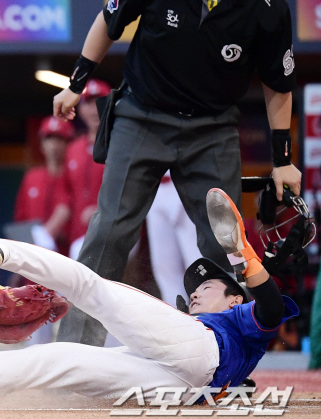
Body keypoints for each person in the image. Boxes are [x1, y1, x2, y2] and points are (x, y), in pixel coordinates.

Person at [0, 189, 298, 399]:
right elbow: (245, 385)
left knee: (86, 284)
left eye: (207, 287)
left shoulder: (241, 321)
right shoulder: (213, 332)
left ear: (235, 300)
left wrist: (245, 259)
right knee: (55, 360)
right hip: (184, 388)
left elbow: (273, 308)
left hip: (200, 356)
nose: (197, 292)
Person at [52, 0, 302, 346]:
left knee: (225, 242)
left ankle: (225, 352)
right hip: (142, 117)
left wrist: (282, 160)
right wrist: (75, 84)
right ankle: (75, 350)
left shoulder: (267, 7)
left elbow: (278, 82)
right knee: (109, 231)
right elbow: (108, 21)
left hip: (213, 128)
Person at [52, 80, 110, 260]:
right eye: (89, 103)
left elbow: (133, 188)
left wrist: (103, 209)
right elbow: (64, 197)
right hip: (79, 234)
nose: (94, 109)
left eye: (100, 101)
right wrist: (47, 232)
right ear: (81, 109)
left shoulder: (122, 144)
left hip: (113, 231)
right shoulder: (73, 149)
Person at [14, 116, 74, 254]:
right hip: (33, 255)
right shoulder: (31, 177)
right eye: (49, 138)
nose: (53, 145)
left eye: (59, 139)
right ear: (41, 144)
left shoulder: (73, 176)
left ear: (69, 143)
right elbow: (20, 218)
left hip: (66, 256)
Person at [145, 171, 201, 307]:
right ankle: (175, 314)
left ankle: (206, 316)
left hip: (184, 181)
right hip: (154, 185)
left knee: (195, 261)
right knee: (163, 265)